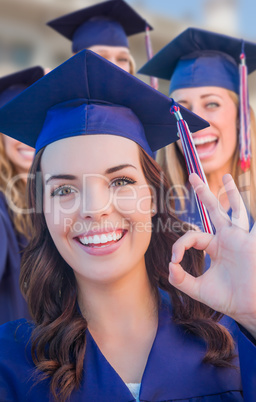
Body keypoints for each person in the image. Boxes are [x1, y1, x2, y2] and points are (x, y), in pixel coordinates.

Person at [0, 50, 255, 402]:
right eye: (64, 189)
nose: (95, 209)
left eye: (120, 181)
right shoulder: (10, 364)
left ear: (152, 198)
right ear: (43, 210)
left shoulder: (235, 343)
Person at [138, 28, 256, 232]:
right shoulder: (152, 209)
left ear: (240, 117)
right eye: (182, 108)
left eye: (211, 104)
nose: (197, 120)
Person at [0, 66, 44, 325]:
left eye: (34, 122)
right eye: (14, 124)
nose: (26, 136)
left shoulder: (58, 197)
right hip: (19, 354)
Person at [46, 0, 153, 75]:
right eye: (101, 58)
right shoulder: (56, 105)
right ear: (76, 62)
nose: (114, 67)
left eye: (122, 59)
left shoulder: (144, 107)